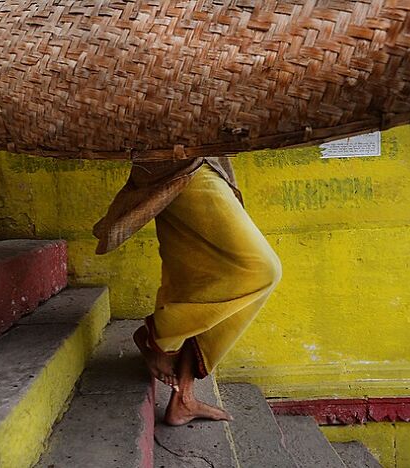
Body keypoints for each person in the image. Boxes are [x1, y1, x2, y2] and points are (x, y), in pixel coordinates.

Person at [93, 156, 282, 425]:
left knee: (192, 279)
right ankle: (160, 335)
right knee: (262, 270)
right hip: (187, 163)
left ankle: (184, 399)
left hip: (174, 163)